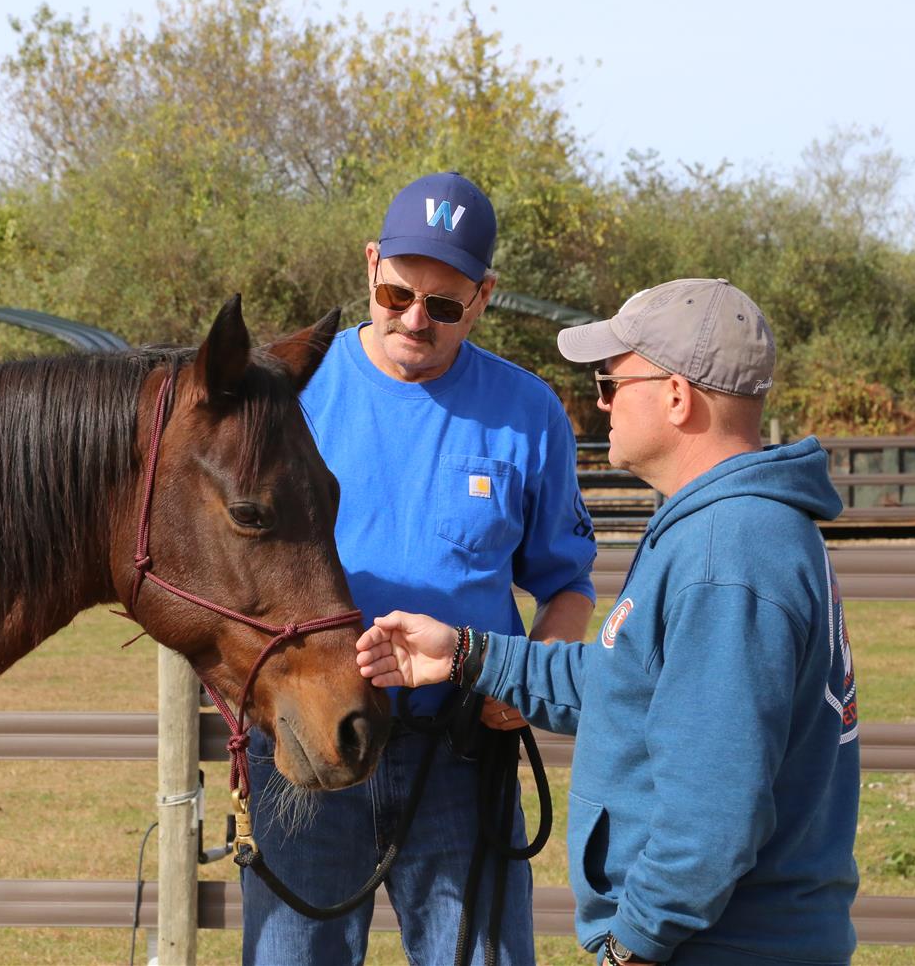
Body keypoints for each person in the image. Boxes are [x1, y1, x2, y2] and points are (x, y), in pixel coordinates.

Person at [356, 278, 860, 966]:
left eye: (610, 382)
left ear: (677, 396)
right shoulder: (730, 528)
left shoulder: (726, 553)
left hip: (717, 946)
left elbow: (711, 811)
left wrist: (635, 946)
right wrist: (467, 655)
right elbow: (637, 683)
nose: (600, 403)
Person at [240, 172, 598, 965]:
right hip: (308, 750)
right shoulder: (288, 393)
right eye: (396, 294)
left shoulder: (528, 412)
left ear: (483, 297)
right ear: (371, 264)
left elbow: (567, 584)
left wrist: (527, 678)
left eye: (442, 305)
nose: (413, 319)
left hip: (460, 755)